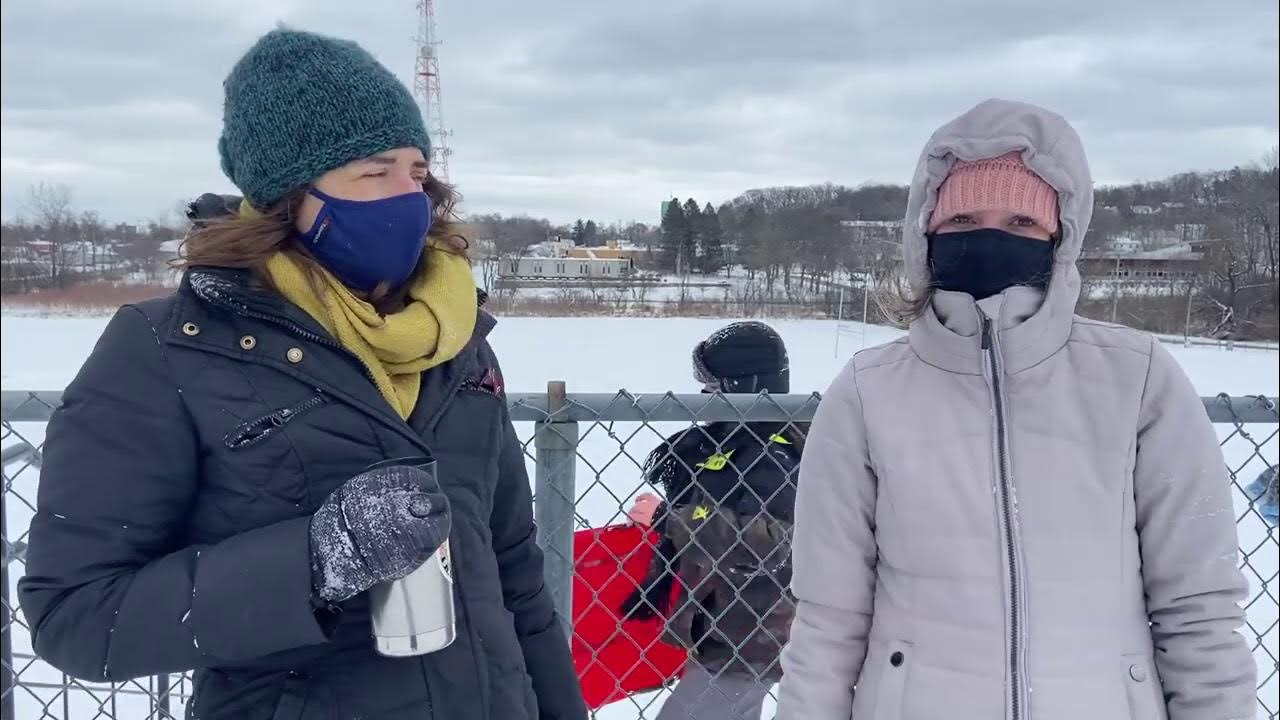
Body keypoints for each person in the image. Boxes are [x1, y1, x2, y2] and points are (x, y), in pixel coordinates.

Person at [18, 28, 586, 720]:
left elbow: (517, 581)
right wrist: (316, 563)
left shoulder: (454, 339)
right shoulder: (170, 348)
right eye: (375, 172)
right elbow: (76, 615)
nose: (411, 196)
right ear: (291, 198)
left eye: (417, 171)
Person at [777, 99, 1257, 720]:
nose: (991, 238)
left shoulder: (1137, 379)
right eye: (966, 218)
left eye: (1022, 223)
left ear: (1060, 239)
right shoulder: (868, 392)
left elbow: (1199, 608)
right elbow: (827, 620)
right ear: (926, 235)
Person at [624, 321, 803, 720]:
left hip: (751, 638)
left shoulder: (772, 459)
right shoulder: (735, 446)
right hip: (725, 630)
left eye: (715, 387)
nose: (705, 396)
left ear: (743, 389)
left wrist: (671, 519)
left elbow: (772, 543)